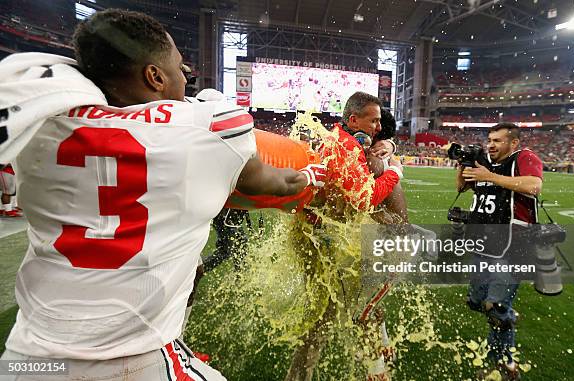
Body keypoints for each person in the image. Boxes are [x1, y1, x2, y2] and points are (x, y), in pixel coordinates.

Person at [0, 9, 325, 381]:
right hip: (130, 361)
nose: (185, 78)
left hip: (27, 359)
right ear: (154, 76)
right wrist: (311, 175)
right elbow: (275, 184)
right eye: (180, 69)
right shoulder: (208, 129)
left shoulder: (41, 126)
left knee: (195, 268)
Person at [285, 92, 405, 381]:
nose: (376, 126)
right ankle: (371, 369)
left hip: (318, 236)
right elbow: (366, 200)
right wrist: (395, 172)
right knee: (325, 316)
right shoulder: (347, 147)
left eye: (379, 123)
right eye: (372, 120)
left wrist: (388, 149)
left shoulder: (344, 142)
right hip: (323, 240)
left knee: (340, 309)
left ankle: (376, 357)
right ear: (354, 120)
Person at [456, 122, 542, 380]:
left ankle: (505, 365)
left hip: (513, 244)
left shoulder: (524, 157)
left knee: (495, 309)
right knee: (477, 300)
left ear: (513, 143)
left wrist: (489, 176)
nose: (491, 145)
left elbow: (534, 186)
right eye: (489, 140)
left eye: (497, 140)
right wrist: (464, 164)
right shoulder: (484, 162)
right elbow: (461, 187)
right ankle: (506, 310)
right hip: (484, 242)